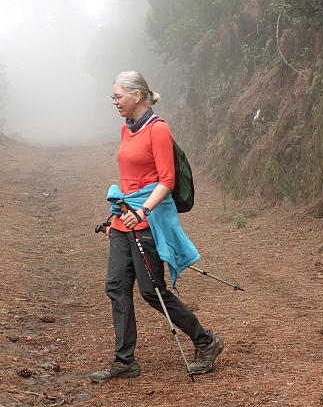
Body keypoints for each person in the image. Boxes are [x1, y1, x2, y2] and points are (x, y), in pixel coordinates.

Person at [89, 71, 223, 383]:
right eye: (113, 97)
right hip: (125, 219)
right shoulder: (127, 129)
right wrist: (115, 218)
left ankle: (205, 342)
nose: (114, 102)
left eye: (118, 96)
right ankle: (124, 361)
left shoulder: (157, 129)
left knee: (152, 292)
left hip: (148, 220)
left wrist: (144, 210)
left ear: (138, 96)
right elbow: (129, 181)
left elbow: (167, 181)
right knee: (116, 287)